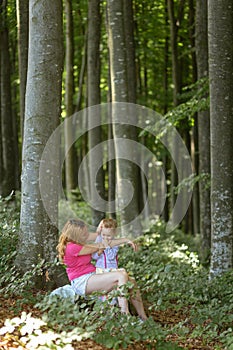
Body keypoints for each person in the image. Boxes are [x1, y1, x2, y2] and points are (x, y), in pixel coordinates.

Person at [57, 218, 147, 320]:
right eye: (84, 233)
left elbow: (100, 237)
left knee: (131, 282)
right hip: (82, 281)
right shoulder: (72, 247)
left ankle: (143, 317)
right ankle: (125, 314)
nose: (87, 235)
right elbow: (102, 244)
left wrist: (126, 240)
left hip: (92, 275)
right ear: (76, 234)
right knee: (121, 275)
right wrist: (123, 240)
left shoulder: (78, 241)